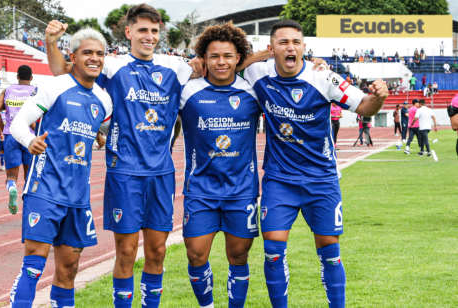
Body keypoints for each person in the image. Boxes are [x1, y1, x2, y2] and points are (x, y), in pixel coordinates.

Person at [44, 5, 311, 307]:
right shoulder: (112, 64)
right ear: (128, 32)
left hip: (163, 174)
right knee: (128, 253)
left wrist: (268, 55)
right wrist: (52, 42)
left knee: (158, 253)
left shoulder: (176, 67)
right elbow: (62, 72)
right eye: (143, 30)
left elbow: (222, 65)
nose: (149, 36)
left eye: (154, 31)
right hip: (125, 173)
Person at [240, 19, 387, 308]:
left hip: (321, 180)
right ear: (272, 49)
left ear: (304, 47)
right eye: (283, 43)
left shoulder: (324, 76)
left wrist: (378, 97)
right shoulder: (258, 72)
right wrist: (258, 56)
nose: (290, 47)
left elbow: (365, 106)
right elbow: (226, 65)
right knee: (272, 251)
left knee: (330, 252)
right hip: (279, 180)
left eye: (296, 42)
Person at [3, 25, 114, 307]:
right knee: (33, 267)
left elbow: (93, 126)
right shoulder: (55, 86)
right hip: (45, 188)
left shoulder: (104, 99)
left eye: (100, 53)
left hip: (78, 196)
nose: (94, 58)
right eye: (87, 52)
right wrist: (29, 141)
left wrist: (98, 136)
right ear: (73, 57)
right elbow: (17, 123)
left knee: (68, 271)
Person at [177, 23, 263, 308]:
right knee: (196, 256)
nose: (221, 62)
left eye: (228, 55)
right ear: (204, 58)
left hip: (242, 190)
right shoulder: (187, 91)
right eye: (214, 56)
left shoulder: (253, 91)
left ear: (238, 58)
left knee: (238, 257)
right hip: (200, 189)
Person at [0, 65, 36, 214]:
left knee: (11, 176)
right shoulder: (35, 91)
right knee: (30, 176)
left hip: (11, 135)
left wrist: (3, 127)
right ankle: (29, 206)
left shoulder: (7, 90)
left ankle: (12, 188)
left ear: (17, 77)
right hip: (30, 138)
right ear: (31, 78)